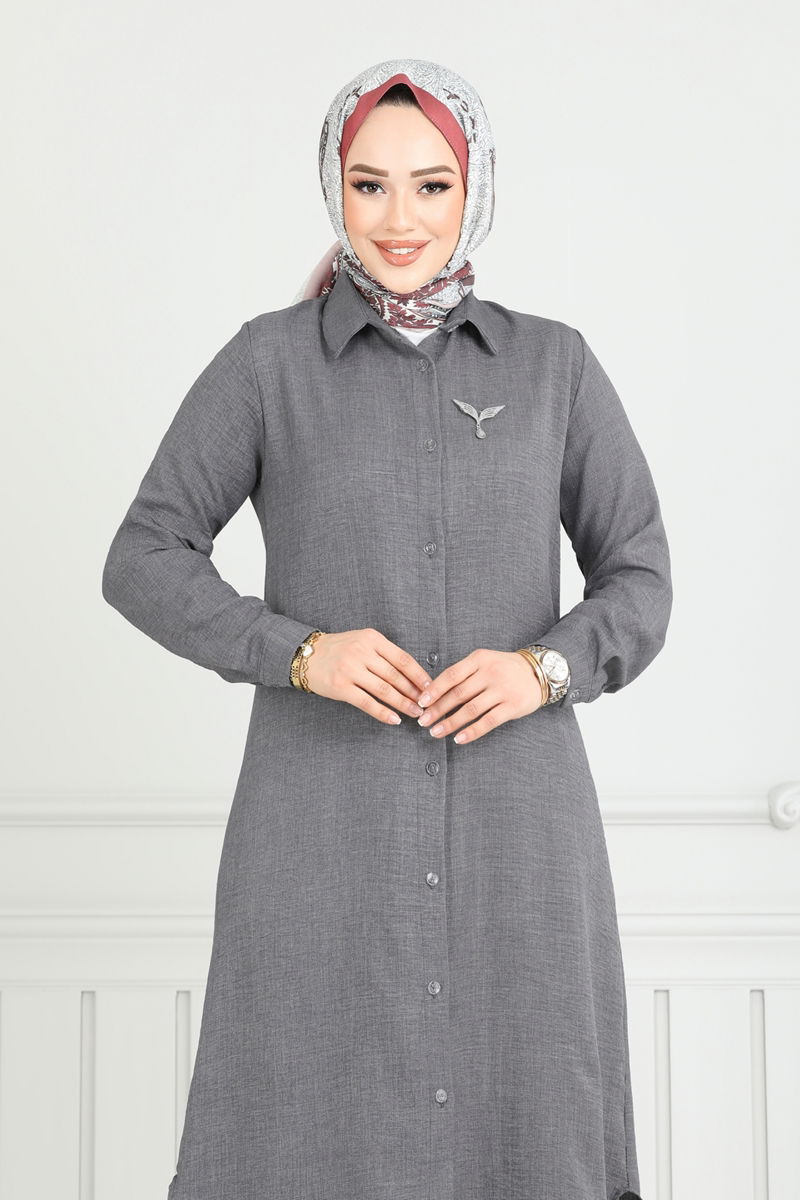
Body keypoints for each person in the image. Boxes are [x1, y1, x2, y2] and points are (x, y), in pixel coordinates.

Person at [102, 57, 670, 1200]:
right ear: (334, 189)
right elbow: (143, 555)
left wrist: (542, 669)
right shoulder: (268, 363)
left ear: (474, 190)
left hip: (519, 834)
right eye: (368, 185)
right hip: (320, 834)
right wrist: (299, 651)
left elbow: (639, 577)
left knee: (530, 1119)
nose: (398, 218)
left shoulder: (551, 366)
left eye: (429, 185)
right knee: (302, 1118)